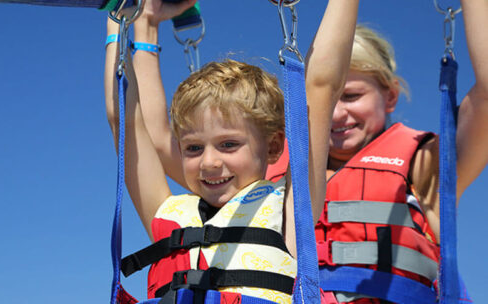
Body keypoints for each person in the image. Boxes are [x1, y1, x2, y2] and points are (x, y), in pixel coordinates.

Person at [104, 0, 359, 302]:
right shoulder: (167, 214)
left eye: (228, 144)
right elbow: (126, 120)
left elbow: (321, 86)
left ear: (274, 146)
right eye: (193, 148)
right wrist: (117, 23)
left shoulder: (291, 208)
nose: (209, 162)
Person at [265, 1, 488, 303]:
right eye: (331, 100)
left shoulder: (424, 165)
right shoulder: (269, 163)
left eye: (352, 96)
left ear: (391, 96)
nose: (336, 114)